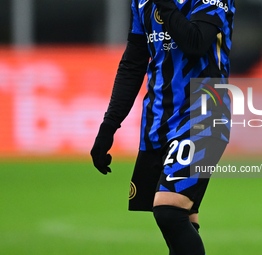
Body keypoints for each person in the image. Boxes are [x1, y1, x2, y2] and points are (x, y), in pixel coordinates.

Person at [91, 0, 235, 254]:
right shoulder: (141, 2)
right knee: (182, 221)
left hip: (204, 114)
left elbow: (195, 44)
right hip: (158, 123)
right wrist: (109, 126)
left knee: (169, 211)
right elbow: (133, 64)